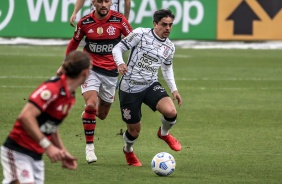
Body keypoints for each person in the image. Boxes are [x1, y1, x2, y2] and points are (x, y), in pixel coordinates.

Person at [57, 0, 132, 164]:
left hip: (111, 73)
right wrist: (64, 65)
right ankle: (90, 148)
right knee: (91, 104)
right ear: (93, 3)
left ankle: (88, 116)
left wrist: (127, 64)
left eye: (106, 1)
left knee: (102, 115)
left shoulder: (120, 21)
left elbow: (132, 41)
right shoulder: (85, 22)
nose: (103, 5)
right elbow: (74, 43)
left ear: (111, 3)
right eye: (100, 1)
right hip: (90, 69)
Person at [1, 51, 91, 183]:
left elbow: (51, 126)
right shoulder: (52, 88)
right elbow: (25, 116)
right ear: (85, 72)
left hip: (36, 155)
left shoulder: (69, 96)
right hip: (17, 150)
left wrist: (63, 152)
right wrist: (48, 147)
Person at [112, 9, 182, 166]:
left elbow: (167, 68)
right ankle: (128, 150)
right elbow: (117, 48)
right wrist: (120, 63)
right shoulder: (140, 34)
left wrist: (174, 89)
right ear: (155, 24)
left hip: (150, 84)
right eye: (164, 25)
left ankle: (164, 134)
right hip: (129, 87)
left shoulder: (169, 47)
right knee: (134, 131)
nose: (168, 28)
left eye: (170, 25)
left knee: (171, 112)